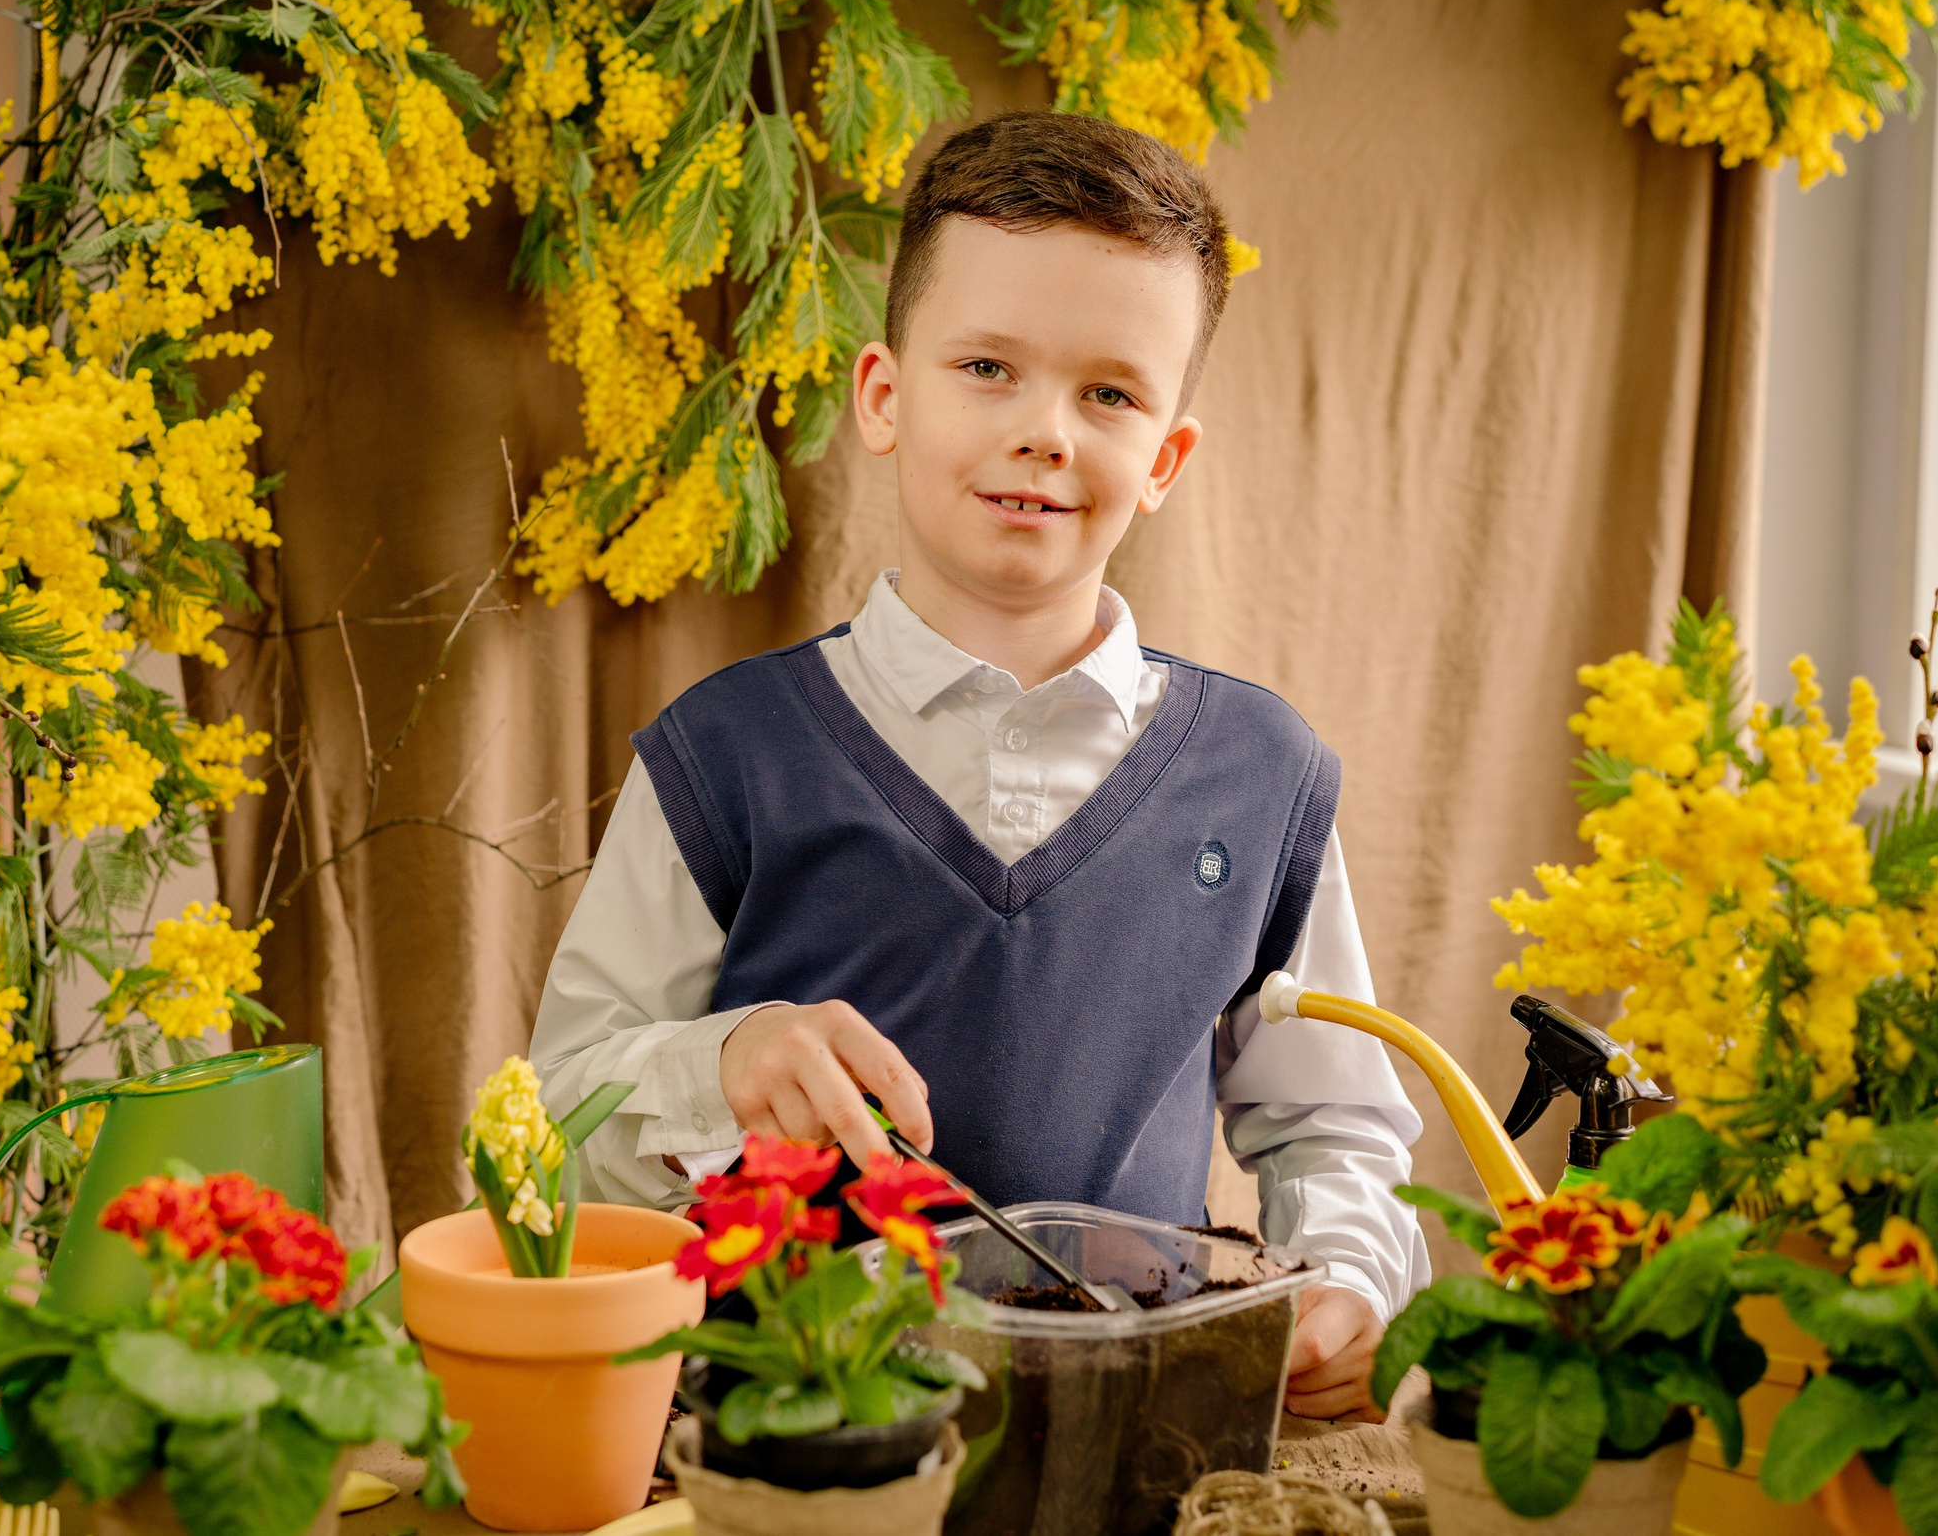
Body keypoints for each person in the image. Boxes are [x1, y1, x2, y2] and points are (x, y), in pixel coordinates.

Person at [529, 110, 1428, 1420]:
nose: (1046, 431)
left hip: (1135, 1457)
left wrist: (1350, 1281)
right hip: (792, 1453)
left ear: (1167, 458)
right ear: (886, 397)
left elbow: (1335, 1126)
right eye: (990, 367)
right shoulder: (725, 759)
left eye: (1109, 393)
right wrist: (722, 1061)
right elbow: (548, 1126)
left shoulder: (1260, 776)